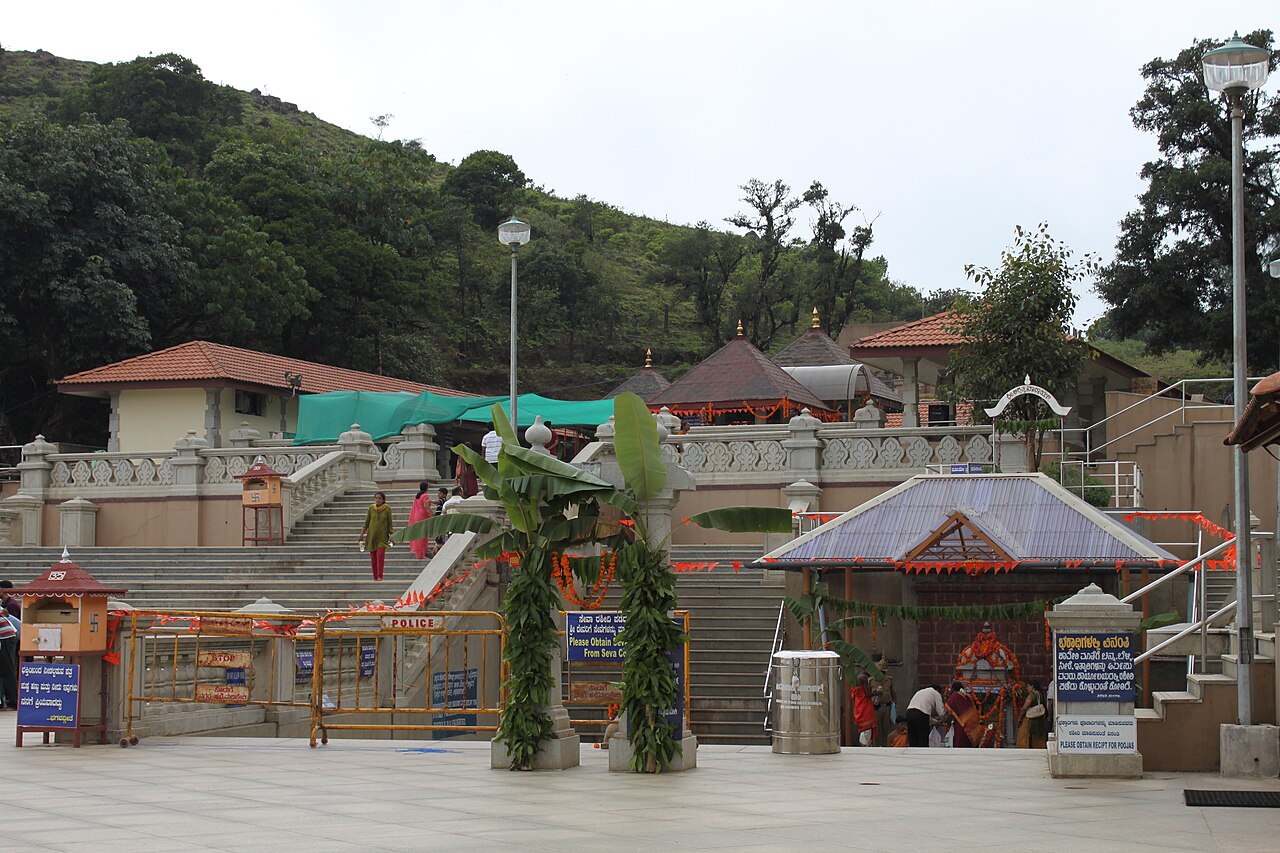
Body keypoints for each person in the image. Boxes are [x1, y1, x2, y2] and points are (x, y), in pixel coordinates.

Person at [358, 492, 394, 581]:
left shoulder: (387, 509)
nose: (377, 500)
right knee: (373, 558)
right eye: (376, 498)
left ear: (383, 500)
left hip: (382, 537)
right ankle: (375, 576)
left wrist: (391, 535)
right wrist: (361, 535)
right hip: (372, 536)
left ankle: (380, 575)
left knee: (380, 555)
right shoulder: (371, 508)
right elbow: (366, 522)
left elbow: (390, 523)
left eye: (379, 498)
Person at [868, 652, 896, 747]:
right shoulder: (871, 681)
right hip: (876, 708)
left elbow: (893, 692)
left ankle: (886, 747)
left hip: (887, 707)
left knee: (887, 729)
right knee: (877, 730)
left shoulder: (889, 680)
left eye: (883, 672)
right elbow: (868, 694)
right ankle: (877, 747)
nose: (882, 673)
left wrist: (894, 704)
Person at [945, 681, 982, 748]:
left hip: (962, 724)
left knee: (960, 744)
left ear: (953, 689)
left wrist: (945, 721)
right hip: (972, 723)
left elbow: (950, 713)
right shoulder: (968, 696)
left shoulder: (954, 697)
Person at [1017, 679, 1049, 749]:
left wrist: (1020, 718)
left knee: (1026, 737)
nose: (1027, 688)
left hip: (1030, 719)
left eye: (1028, 686)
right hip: (1039, 720)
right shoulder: (1040, 694)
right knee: (1038, 739)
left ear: (1032, 686)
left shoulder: (1031, 695)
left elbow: (1025, 708)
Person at [407, 481, 434, 559]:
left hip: (417, 515)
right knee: (422, 534)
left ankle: (422, 552)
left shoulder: (418, 495)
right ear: (427, 487)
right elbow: (426, 507)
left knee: (420, 533)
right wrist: (432, 513)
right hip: (423, 515)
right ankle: (421, 553)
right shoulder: (425, 495)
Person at [850, 670, 876, 746]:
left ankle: (865, 744)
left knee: (863, 729)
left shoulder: (856, 677)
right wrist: (877, 693)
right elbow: (867, 694)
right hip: (865, 706)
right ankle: (864, 745)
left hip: (859, 706)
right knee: (866, 729)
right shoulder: (864, 678)